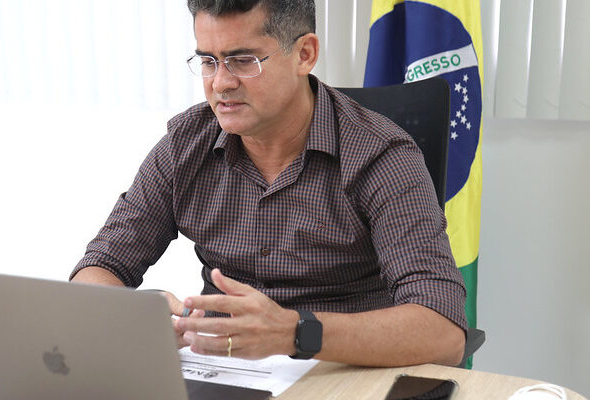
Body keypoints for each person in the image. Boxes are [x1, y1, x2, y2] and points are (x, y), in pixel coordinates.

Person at [70, 0, 467, 367]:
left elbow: (443, 330)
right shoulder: (185, 145)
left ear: (305, 54)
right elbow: (99, 269)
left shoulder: (380, 155)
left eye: (242, 61)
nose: (220, 83)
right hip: (221, 370)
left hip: (339, 373)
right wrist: (136, 314)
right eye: (208, 61)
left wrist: (293, 332)